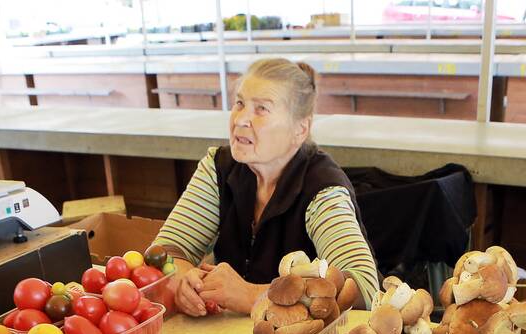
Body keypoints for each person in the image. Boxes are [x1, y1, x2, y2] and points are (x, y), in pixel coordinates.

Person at [154, 58, 379, 317]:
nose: (241, 120)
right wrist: (183, 279)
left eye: (261, 109)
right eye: (240, 103)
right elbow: (163, 252)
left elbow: (364, 288)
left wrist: (253, 295)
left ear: (300, 128)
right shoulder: (219, 167)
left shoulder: (322, 190)